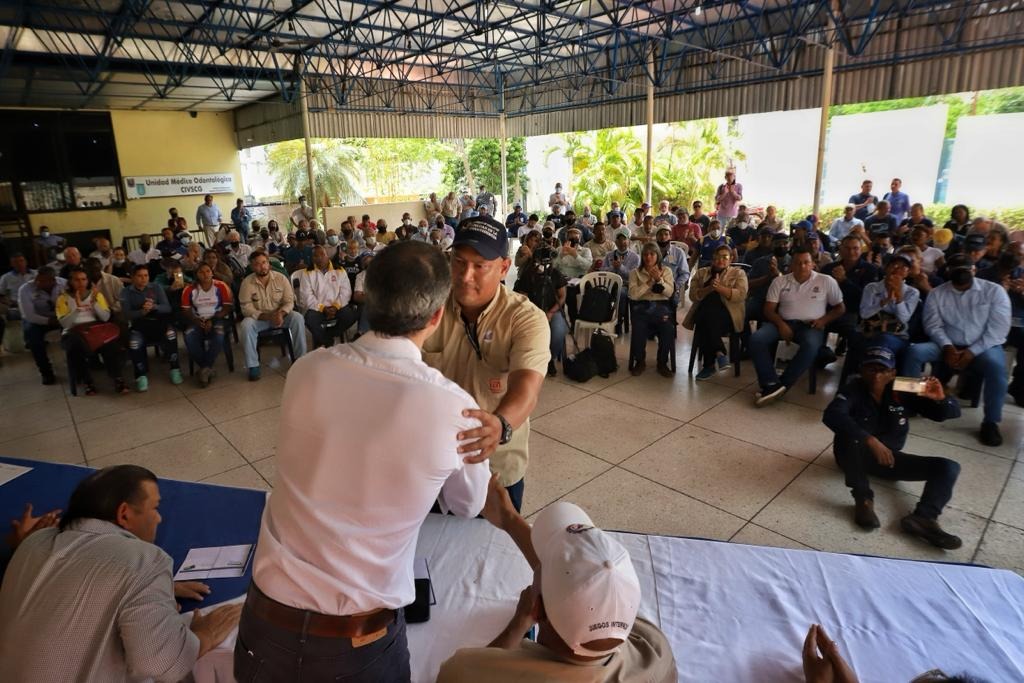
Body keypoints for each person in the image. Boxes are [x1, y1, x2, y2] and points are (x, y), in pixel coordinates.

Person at [238, 241, 490, 682]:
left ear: (367, 301)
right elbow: (468, 504)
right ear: (436, 316)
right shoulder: (454, 409)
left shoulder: (306, 371)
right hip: (354, 645)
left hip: (262, 625)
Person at [0, 465, 242, 682]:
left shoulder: (33, 543)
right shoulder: (146, 560)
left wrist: (154, 589)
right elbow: (161, 665)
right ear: (124, 514)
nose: (159, 517)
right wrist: (205, 635)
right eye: (154, 508)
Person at [438, 483, 677, 683]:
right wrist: (510, 519)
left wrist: (516, 627)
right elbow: (571, 583)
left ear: (536, 609)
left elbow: (473, 669)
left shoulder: (465, 672)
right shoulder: (655, 651)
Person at [422, 217, 550, 512]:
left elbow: (527, 388)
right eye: (458, 262)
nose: (465, 276)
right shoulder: (429, 308)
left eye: (480, 266)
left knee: (496, 549)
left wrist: (501, 425)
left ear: (504, 268)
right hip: (433, 465)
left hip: (495, 468)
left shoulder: (524, 318)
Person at [823, 346, 963, 548]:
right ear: (861, 370)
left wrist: (941, 399)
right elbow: (832, 415)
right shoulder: (853, 387)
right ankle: (863, 500)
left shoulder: (906, 386)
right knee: (851, 436)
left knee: (949, 467)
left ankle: (924, 518)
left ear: (893, 373)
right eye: (871, 369)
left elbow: (946, 414)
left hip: (888, 458)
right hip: (852, 455)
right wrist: (870, 440)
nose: (877, 375)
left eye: (883, 370)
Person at [902, 253, 1011, 447]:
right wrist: (947, 346)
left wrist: (971, 352)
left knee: (997, 369)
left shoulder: (994, 291)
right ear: (948, 271)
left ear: (974, 269)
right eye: (956, 268)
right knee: (913, 353)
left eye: (966, 268)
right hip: (945, 344)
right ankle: (909, 404)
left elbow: (998, 330)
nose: (962, 272)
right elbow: (933, 325)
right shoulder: (937, 293)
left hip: (983, 347)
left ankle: (991, 422)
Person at [751, 248, 845, 406]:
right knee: (756, 339)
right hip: (782, 322)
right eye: (798, 263)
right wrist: (781, 324)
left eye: (806, 262)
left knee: (810, 346)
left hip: (812, 326)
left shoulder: (826, 281)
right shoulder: (780, 281)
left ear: (813, 264)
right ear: (791, 265)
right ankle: (770, 383)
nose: (802, 266)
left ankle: (783, 384)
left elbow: (840, 308)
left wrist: (823, 320)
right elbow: (768, 310)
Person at [57, 267, 128, 395]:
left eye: (83, 279)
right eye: (76, 280)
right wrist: (77, 308)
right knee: (75, 346)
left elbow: (105, 318)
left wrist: (95, 303)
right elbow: (65, 323)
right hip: (74, 331)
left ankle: (118, 378)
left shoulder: (96, 294)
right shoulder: (63, 298)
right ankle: (87, 381)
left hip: (95, 329)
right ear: (71, 282)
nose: (81, 283)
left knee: (111, 345)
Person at [239, 250, 307, 380]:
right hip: (261, 319)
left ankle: (300, 359)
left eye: (264, 262)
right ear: (252, 267)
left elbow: (289, 301)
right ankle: (253, 365)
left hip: (281, 315)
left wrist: (281, 313)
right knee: (246, 325)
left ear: (269, 263)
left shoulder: (281, 278)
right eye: (257, 264)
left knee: (298, 318)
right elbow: (246, 307)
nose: (262, 266)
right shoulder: (247, 283)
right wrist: (267, 316)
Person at [684, 245, 748, 380]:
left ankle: (710, 365)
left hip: (728, 316)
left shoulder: (738, 273)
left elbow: (741, 295)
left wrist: (720, 289)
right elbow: (692, 296)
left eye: (725, 257)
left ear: (731, 259)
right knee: (707, 313)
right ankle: (719, 352)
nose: (721, 260)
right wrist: (709, 288)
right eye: (717, 257)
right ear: (713, 259)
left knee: (703, 318)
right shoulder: (702, 273)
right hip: (708, 317)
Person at [121, 264, 182, 391]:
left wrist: (154, 307)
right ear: (132, 277)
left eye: (146, 275)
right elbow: (126, 314)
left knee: (171, 334)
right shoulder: (126, 292)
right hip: (140, 325)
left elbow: (167, 308)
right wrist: (141, 312)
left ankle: (175, 368)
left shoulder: (156, 287)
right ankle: (141, 375)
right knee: (134, 343)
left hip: (159, 323)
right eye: (139, 276)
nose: (143, 279)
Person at [515, 245, 568, 377]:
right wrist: (537, 314)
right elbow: (523, 298)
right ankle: (534, 359)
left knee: (558, 331)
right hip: (532, 313)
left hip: (553, 311)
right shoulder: (528, 275)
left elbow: (562, 296)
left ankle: (550, 358)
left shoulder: (555, 274)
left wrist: (550, 312)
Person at [857, 253, 920, 365]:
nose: (897, 270)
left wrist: (898, 296)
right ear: (886, 267)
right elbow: (864, 314)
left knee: (884, 340)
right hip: (870, 330)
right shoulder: (872, 288)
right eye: (894, 265)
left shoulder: (912, 292)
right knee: (857, 340)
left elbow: (904, 319)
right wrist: (883, 302)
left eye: (903, 268)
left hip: (897, 334)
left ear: (907, 273)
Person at [181, 263, 233, 387]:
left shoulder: (221, 286)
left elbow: (227, 307)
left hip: (218, 318)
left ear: (212, 272)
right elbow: (186, 310)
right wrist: (196, 320)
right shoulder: (189, 289)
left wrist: (213, 320)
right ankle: (207, 368)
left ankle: (204, 369)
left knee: (219, 334)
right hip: (197, 320)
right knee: (188, 335)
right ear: (196, 274)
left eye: (208, 271)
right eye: (201, 272)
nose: (205, 274)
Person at [628, 243, 676, 378]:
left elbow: (669, 292)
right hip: (641, 306)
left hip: (661, 307)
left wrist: (659, 279)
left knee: (668, 328)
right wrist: (649, 282)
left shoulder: (666, 271)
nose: (648, 257)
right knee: (638, 326)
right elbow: (633, 294)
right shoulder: (635, 272)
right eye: (645, 254)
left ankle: (662, 363)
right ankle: (640, 361)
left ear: (658, 256)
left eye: (652, 254)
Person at [299, 245, 357, 349]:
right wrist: (323, 308)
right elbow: (306, 296)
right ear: (312, 258)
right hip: (317, 308)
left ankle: (327, 335)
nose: (320, 258)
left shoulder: (339, 270)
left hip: (338, 306)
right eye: (316, 256)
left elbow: (346, 292)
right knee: (309, 319)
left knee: (351, 316)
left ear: (327, 255)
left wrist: (335, 306)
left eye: (322, 254)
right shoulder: (307, 273)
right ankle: (328, 341)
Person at [18, 267, 65, 385]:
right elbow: (29, 315)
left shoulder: (64, 284)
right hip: (37, 320)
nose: (37, 283)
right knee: (33, 337)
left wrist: (64, 319)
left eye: (42, 281)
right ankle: (46, 371)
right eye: (37, 280)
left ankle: (83, 362)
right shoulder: (25, 289)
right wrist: (49, 321)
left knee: (77, 330)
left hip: (61, 316)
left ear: (52, 280)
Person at [602, 232, 641, 334]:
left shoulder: (635, 257)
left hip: (626, 285)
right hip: (610, 284)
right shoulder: (609, 255)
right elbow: (602, 271)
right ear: (616, 242)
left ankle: (618, 322)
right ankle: (603, 320)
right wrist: (612, 267)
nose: (622, 242)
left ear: (628, 241)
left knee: (622, 293)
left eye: (624, 239)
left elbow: (634, 276)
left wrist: (621, 268)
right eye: (619, 240)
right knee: (600, 292)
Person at [655, 227, 690, 298]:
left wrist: (675, 286)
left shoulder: (678, 252)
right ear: (656, 237)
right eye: (660, 234)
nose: (663, 237)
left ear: (670, 236)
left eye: (666, 234)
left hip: (672, 287)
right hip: (654, 286)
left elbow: (685, 274)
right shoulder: (651, 251)